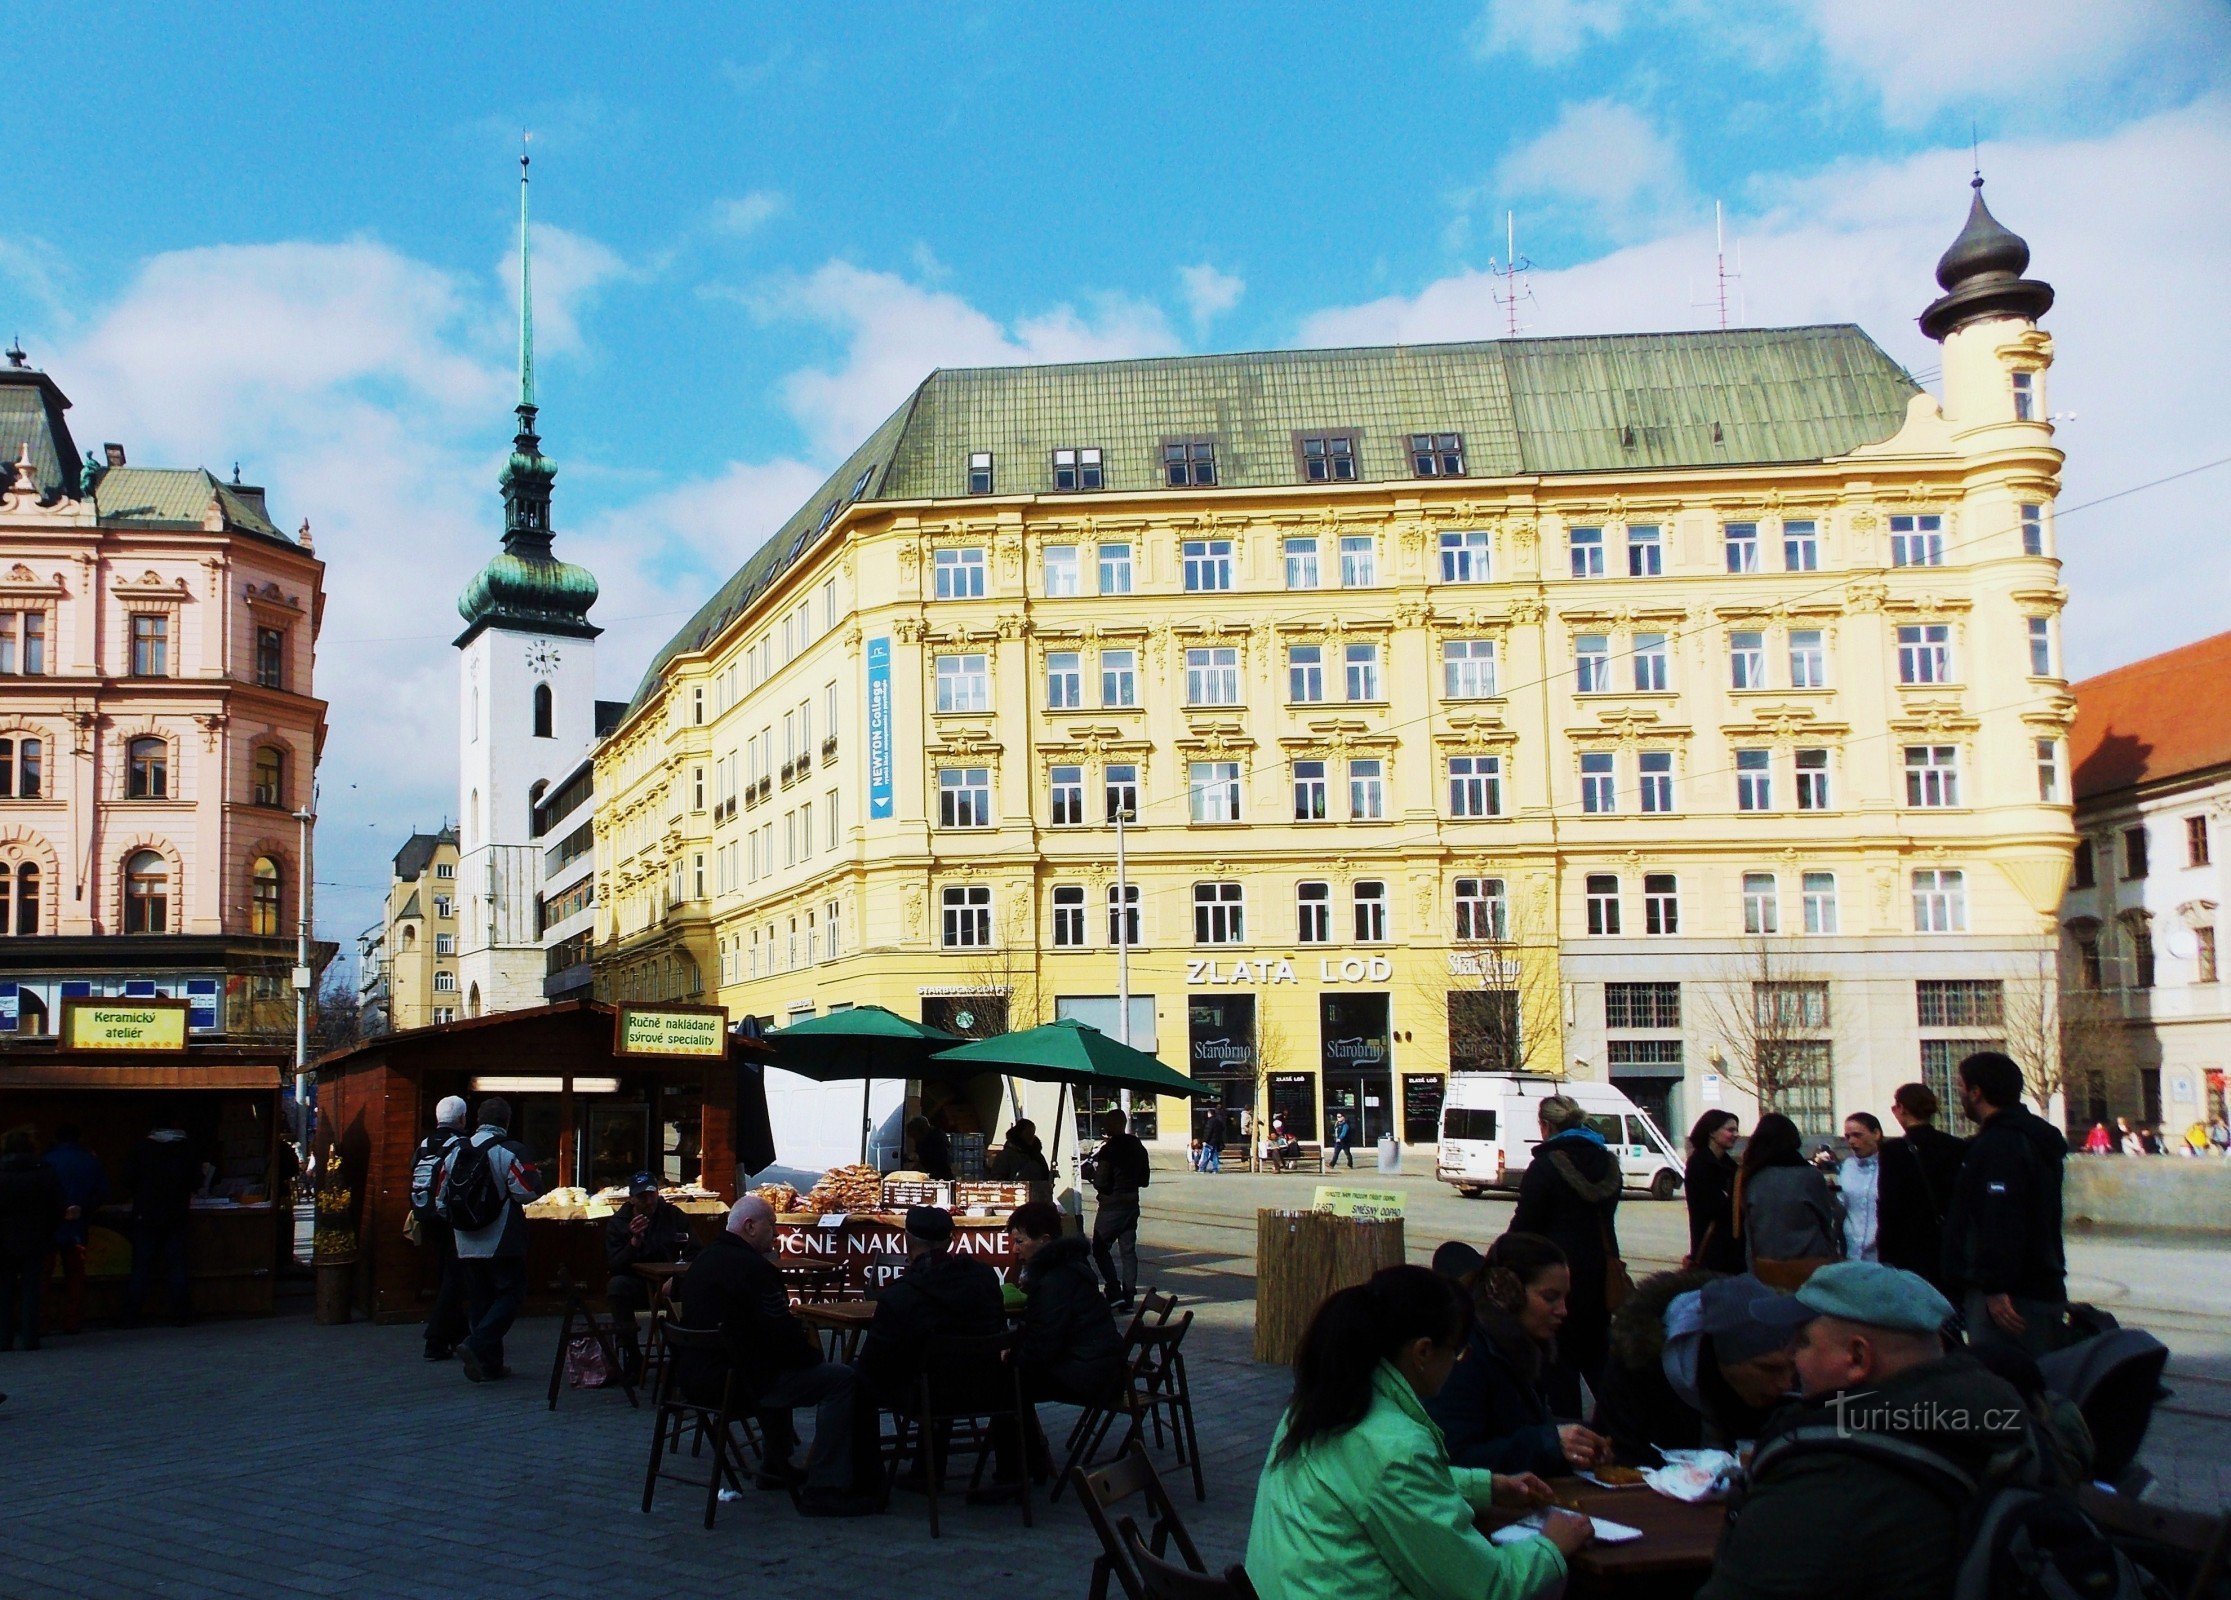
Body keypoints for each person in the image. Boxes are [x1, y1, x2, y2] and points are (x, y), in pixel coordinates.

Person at [1245, 1264, 1589, 1600]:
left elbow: (1368, 1484)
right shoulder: (1396, 1445)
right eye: (1458, 1352)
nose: (1458, 1365)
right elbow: (1482, 1586)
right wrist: (1551, 1545)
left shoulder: (1321, 1403)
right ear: (1423, 1352)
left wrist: (1484, 1486)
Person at [1698, 1262, 2030, 1600]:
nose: (1792, 1357)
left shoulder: (1829, 1475)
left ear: (1858, 1357)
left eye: (1802, 1342)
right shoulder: (2003, 1423)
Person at [677, 1195, 878, 1517]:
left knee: (778, 1363)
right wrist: (815, 1358)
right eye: (771, 1225)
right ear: (749, 1226)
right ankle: (826, 1487)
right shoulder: (755, 1269)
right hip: (740, 1384)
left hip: (693, 1380)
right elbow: (781, 1337)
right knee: (841, 1379)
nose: (776, 1233)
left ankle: (775, 1465)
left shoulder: (703, 1261)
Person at [1425, 1233, 1611, 1476]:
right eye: (1550, 1297)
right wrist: (1550, 1443)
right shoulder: (1465, 1354)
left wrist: (1582, 1437)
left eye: (1565, 1298)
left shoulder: (1523, 1347)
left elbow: (1523, 1425)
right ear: (1508, 1292)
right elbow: (1455, 1457)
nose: (1563, 1311)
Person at [1590, 1269, 1795, 1466]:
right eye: (1769, 1369)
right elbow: (1616, 1459)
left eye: (1792, 1367)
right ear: (1722, 1357)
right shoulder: (1638, 1367)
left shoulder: (1796, 1386)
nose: (1786, 1383)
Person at [1943, 1051, 2067, 1360]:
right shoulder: (2031, 1137)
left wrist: (1995, 1287)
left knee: (2007, 1384)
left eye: (1960, 1086)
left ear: (1976, 1092)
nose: (1958, 1094)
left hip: (2011, 1297)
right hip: (2039, 1284)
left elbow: (2001, 1217)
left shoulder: (2001, 1144)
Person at [1000, 1200, 1124, 1485]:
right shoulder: (1067, 1268)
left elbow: (1043, 1344)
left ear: (1044, 1241)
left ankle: (1015, 1473)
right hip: (1099, 1366)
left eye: (1020, 1241)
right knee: (1012, 1378)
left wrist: (1013, 1356)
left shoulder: (1056, 1280)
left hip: (1089, 1373)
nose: (1015, 1249)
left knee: (1008, 1384)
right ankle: (1028, 1463)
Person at [1506, 1094, 1621, 1403]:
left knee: (1559, 1356)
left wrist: (1501, 1256)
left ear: (1546, 1125)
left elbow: (1525, 1224)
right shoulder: (1608, 1163)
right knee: (1598, 1352)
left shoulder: (1545, 1166)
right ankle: (1616, 1429)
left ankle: (1566, 1431)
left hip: (1554, 1274)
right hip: (1600, 1272)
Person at [443, 1097, 542, 1382]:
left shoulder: (454, 1150)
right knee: (511, 1295)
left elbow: (441, 1196)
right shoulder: (510, 1151)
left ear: (477, 1119)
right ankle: (476, 1344)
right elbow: (526, 1191)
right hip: (501, 1239)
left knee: (480, 1302)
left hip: (465, 1240)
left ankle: (488, 1366)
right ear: (506, 1121)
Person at [604, 1171, 693, 1382]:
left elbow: (695, 1249)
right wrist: (633, 1243)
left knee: (695, 1289)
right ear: (632, 1198)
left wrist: (678, 1275)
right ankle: (632, 1356)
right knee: (617, 1288)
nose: (649, 1201)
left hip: (672, 1281)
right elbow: (615, 1265)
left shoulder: (673, 1215)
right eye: (642, 1196)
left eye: (652, 1195)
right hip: (638, 1283)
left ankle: (685, 1355)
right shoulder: (619, 1223)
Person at [1733, 1112, 1839, 1289]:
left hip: (1764, 1266)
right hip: (1810, 1266)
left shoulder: (1750, 1176)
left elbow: (1748, 1228)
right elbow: (1825, 1220)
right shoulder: (1809, 1176)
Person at [1877, 1083, 1966, 1292]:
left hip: (1907, 1247)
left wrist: (1886, 1256)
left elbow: (1889, 1205)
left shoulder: (1893, 1151)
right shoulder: (1955, 1145)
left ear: (1903, 1109)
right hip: (1947, 1245)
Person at [122, 1105, 203, 1325]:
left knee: (141, 1266)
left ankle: (132, 1315)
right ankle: (181, 1314)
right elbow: (197, 1180)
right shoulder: (186, 1148)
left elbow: (128, 1179)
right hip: (177, 1212)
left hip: (145, 1213)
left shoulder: (142, 1148)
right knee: (177, 1265)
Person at [410, 1095, 470, 1360]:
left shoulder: (424, 1144)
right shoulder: (460, 1145)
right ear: (462, 1119)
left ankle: (459, 1335)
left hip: (426, 1215)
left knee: (447, 1274)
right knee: (455, 1278)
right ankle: (434, 1339)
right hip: (451, 1218)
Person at [40, 1123, 107, 1338]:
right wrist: (83, 1208)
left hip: (48, 1227)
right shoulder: (90, 1160)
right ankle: (72, 1321)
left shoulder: (46, 1160)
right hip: (78, 1225)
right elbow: (102, 1192)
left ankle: (42, 1322)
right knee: (76, 1276)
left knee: (43, 1276)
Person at [0, 1130, 64, 1351]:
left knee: (4, 1290)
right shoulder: (44, 1171)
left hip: (3, 1239)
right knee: (32, 1290)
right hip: (35, 1237)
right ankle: (30, 1338)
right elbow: (57, 1206)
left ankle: (3, 1338)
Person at [1082, 1107, 1150, 1311]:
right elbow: (1144, 1180)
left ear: (1114, 1124)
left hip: (1112, 1205)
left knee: (1100, 1248)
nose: (1104, 1126)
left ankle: (1113, 1290)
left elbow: (1102, 1181)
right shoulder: (1138, 1146)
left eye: (1106, 1123)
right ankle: (1129, 1293)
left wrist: (1091, 1176)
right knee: (1128, 1250)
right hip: (1131, 1203)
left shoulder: (1109, 1149)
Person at [1683, 1110, 1745, 1274]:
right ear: (1711, 1132)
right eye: (1730, 1130)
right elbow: (1714, 1207)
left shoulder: (1731, 1166)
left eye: (1736, 1130)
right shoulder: (1699, 1164)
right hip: (1710, 1248)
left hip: (1731, 1248)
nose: (1736, 1135)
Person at [1838, 1113, 1883, 1262]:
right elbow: (1842, 1203)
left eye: (1857, 1135)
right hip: (1852, 1253)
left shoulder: (1890, 1166)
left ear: (1876, 1134)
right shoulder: (1848, 1166)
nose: (1851, 1141)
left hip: (1881, 1255)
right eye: (1847, 1136)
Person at [988, 1119, 1052, 1183]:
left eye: (1032, 1133)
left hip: (1036, 1191)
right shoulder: (1006, 1156)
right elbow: (997, 1183)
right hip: (1013, 1191)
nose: (1030, 1137)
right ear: (1019, 1133)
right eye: (1027, 1133)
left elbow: (1045, 1179)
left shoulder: (1037, 1156)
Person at [906, 1115, 954, 1181]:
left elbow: (939, 1162)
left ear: (922, 1131)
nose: (914, 1139)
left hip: (940, 1177)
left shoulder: (937, 1139)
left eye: (914, 1136)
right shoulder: (922, 1140)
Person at [1201, 1107, 1229, 1174]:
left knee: (1205, 1155)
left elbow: (1208, 1132)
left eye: (1208, 1113)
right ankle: (1215, 1169)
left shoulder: (1210, 1121)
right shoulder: (1218, 1121)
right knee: (1214, 1156)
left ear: (1209, 1113)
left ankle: (1202, 1169)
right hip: (1216, 1141)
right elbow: (1222, 1129)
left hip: (1209, 1142)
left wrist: (1204, 1140)